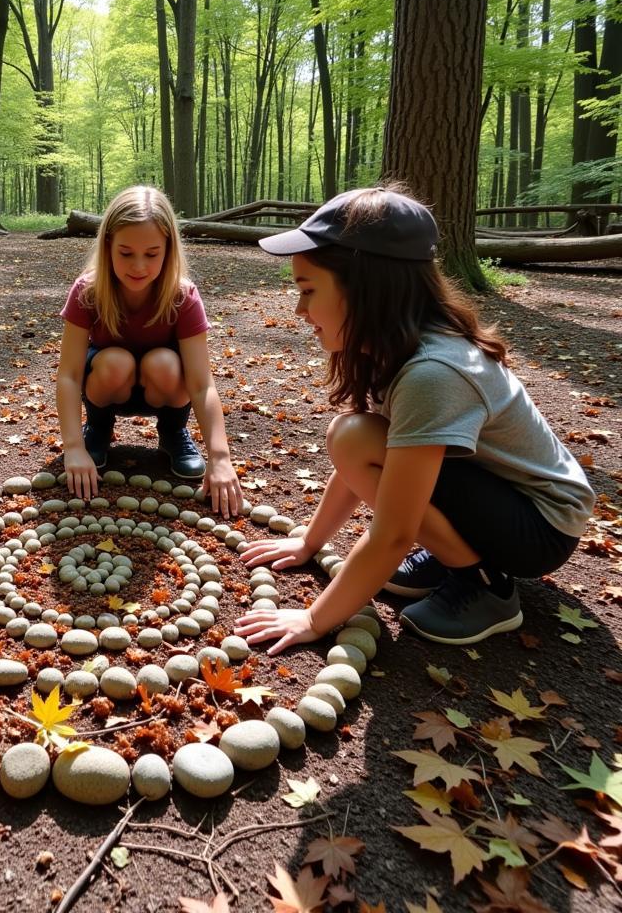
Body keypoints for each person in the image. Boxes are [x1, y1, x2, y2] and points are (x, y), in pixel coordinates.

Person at [235, 186, 594, 653]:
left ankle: (485, 585)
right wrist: (309, 541)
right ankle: (452, 553)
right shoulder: (390, 346)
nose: (300, 310)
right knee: (354, 436)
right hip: (494, 491)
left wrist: (313, 619)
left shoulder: (432, 372)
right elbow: (357, 461)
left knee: (353, 438)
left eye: (308, 290)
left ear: (365, 289)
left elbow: (394, 531)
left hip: (541, 525)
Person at [56, 185, 243, 517]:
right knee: (116, 360)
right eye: (126, 253)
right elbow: (69, 375)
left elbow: (201, 384)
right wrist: (72, 448)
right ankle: (97, 431)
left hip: (165, 388)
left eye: (152, 254)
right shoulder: (88, 291)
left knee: (165, 362)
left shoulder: (183, 296)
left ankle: (172, 433)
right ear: (108, 245)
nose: (138, 266)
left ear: (168, 249)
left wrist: (220, 457)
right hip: (108, 384)